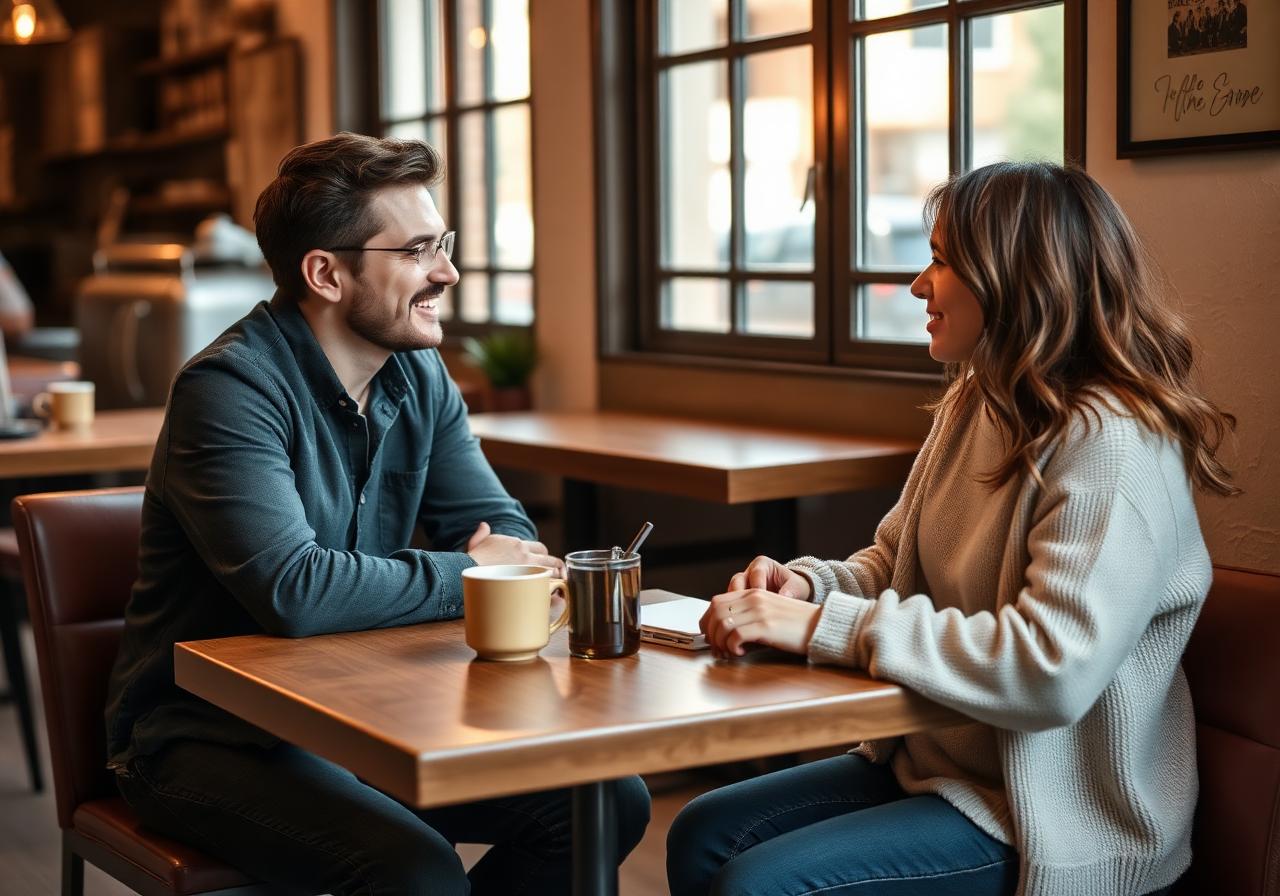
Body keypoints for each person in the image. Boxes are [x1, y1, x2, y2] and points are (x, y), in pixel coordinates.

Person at [666, 161, 1237, 896]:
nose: (917, 285)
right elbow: (896, 563)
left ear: (1016, 279)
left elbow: (1050, 671)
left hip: (1052, 818)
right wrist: (807, 585)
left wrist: (819, 627)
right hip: (943, 770)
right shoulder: (980, 398)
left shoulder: (1113, 444)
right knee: (703, 835)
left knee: (756, 883)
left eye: (940, 260)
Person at [105, 132, 650, 895]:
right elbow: (298, 591)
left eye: (444, 242)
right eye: (419, 249)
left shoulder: (419, 373)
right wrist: (471, 569)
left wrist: (490, 560)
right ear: (326, 273)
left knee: (603, 803)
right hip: (207, 736)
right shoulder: (230, 390)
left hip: (361, 715)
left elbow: (508, 533)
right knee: (416, 873)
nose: (448, 271)